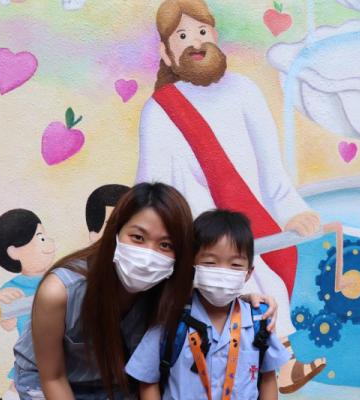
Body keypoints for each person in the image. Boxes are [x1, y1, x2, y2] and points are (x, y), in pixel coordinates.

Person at [136, 0, 324, 392]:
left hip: (249, 222)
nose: (195, 42)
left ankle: (276, 365)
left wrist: (291, 210)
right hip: (196, 237)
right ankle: (277, 364)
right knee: (247, 288)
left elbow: (271, 166)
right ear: (165, 52)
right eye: (182, 35)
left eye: (202, 31)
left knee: (265, 281)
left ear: (215, 35)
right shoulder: (160, 110)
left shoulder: (244, 91)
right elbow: (150, 188)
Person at [13, 183, 276, 399]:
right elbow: (53, 377)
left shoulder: (167, 284)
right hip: (50, 382)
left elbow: (214, 296)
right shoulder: (59, 291)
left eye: (165, 245)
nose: (149, 255)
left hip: (116, 385)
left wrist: (247, 301)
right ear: (116, 232)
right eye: (138, 237)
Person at [126, 209, 290, 400]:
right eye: (210, 262)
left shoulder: (259, 321)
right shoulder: (171, 320)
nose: (223, 273)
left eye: (235, 265)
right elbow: (148, 380)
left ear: (248, 273)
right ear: (192, 266)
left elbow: (268, 379)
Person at [0, 209, 56, 400]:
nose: (49, 242)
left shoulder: (59, 276)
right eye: (40, 238)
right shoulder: (11, 290)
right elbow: (8, 324)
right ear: (14, 251)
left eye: (45, 236)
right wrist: (1, 303)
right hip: (31, 364)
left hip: (62, 359)